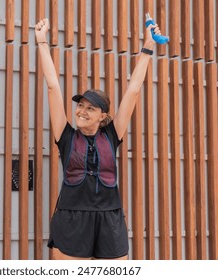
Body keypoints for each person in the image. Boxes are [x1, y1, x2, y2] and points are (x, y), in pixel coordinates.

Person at [35, 17, 162, 260]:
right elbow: (52, 87)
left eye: (90, 108)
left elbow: (133, 91)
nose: (81, 111)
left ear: (102, 115)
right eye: (80, 105)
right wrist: (42, 43)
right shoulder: (66, 135)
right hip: (72, 218)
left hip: (110, 219)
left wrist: (148, 46)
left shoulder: (112, 134)